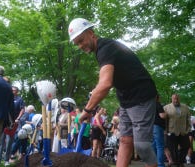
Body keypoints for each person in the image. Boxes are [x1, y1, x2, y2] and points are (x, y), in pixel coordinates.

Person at [68, 18, 158, 167]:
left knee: (142, 145)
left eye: (81, 40)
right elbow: (103, 83)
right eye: (77, 43)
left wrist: (87, 110)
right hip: (125, 99)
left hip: (141, 96)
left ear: (91, 33)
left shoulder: (106, 47)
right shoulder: (100, 51)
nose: (80, 46)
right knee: (124, 140)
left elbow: (105, 84)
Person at [164, 94, 190, 167]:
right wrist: (165, 131)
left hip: (183, 131)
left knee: (186, 146)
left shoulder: (185, 107)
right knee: (172, 149)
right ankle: (177, 163)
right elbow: (164, 121)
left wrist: (188, 129)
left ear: (179, 99)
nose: (176, 100)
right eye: (174, 99)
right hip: (171, 131)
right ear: (171, 99)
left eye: (177, 98)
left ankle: (180, 161)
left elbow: (188, 119)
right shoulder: (166, 107)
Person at [152, 95, 166, 167]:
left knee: (153, 146)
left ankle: (153, 164)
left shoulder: (149, 106)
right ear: (158, 98)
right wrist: (166, 114)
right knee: (160, 146)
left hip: (150, 127)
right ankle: (160, 165)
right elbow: (162, 116)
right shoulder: (158, 104)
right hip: (157, 127)